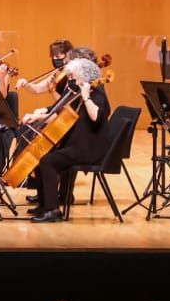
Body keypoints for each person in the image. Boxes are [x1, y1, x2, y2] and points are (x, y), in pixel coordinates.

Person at [22, 56, 111, 222]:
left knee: (48, 161)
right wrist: (37, 117)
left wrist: (86, 97)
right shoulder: (75, 93)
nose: (70, 79)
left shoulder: (97, 94)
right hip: (75, 145)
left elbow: (97, 117)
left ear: (84, 76)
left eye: (73, 76)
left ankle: (53, 211)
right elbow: (60, 114)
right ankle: (45, 204)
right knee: (41, 155)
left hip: (89, 149)